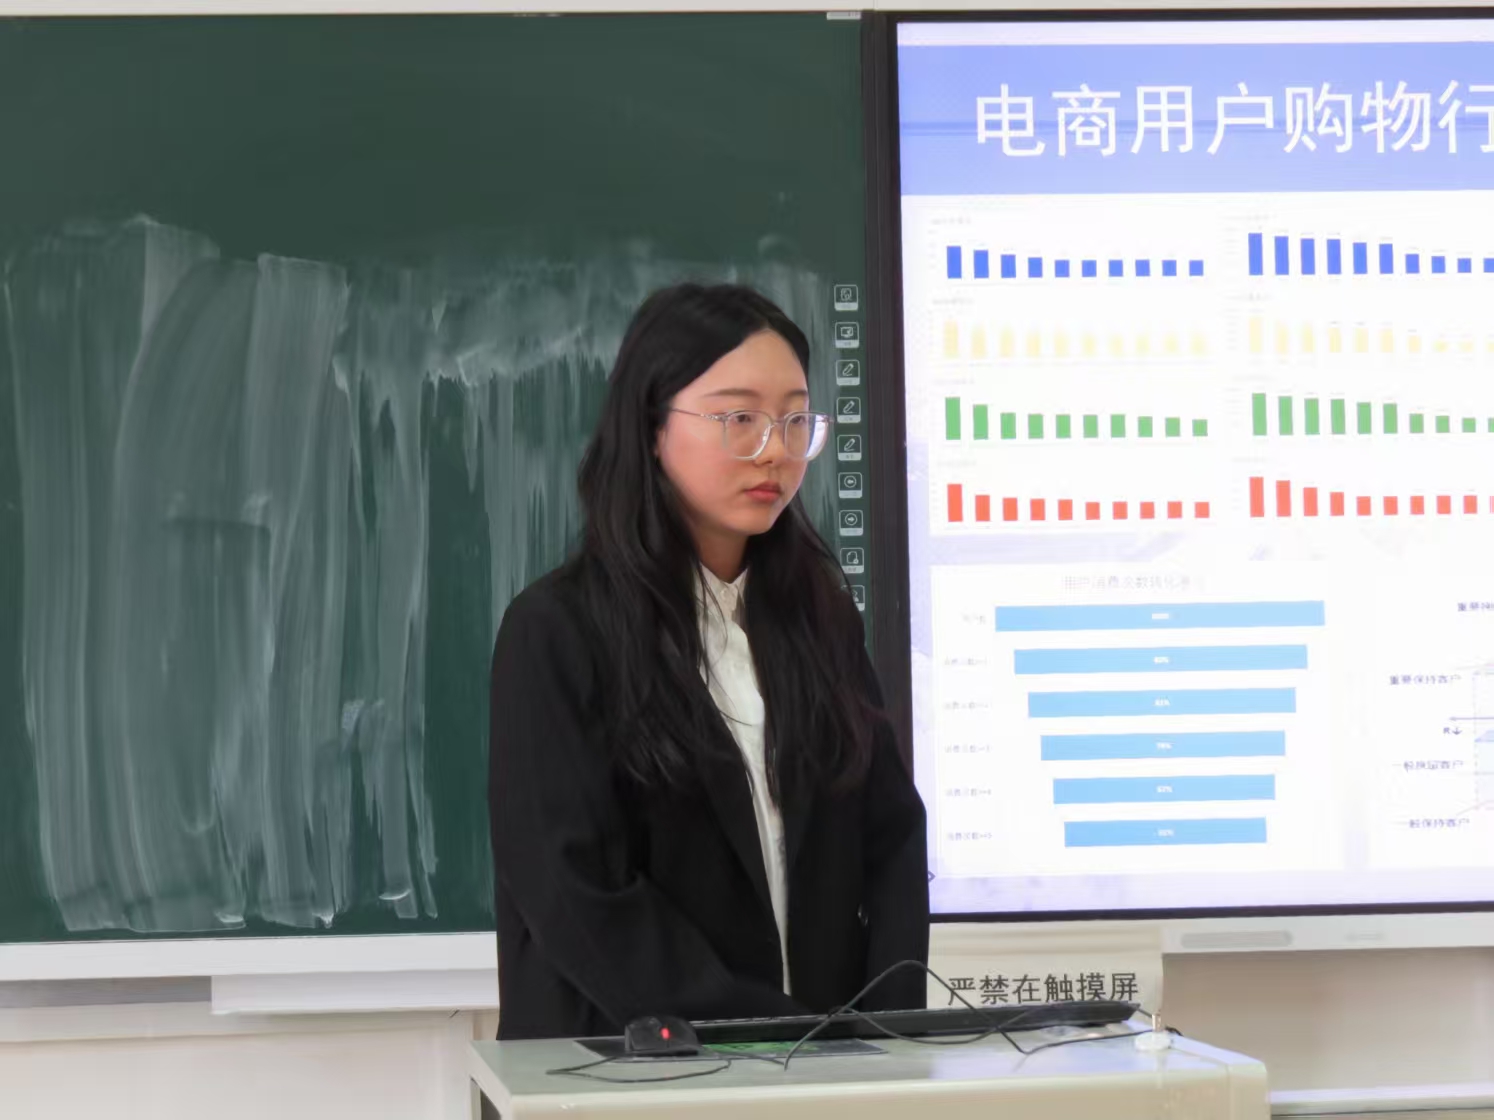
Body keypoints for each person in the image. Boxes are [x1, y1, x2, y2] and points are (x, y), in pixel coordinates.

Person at [487, 282, 928, 1041]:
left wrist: (884, 1037)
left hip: (825, 1075)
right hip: (628, 1071)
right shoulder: (557, 632)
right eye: (739, 418)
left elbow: (891, 838)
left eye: (795, 420)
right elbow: (577, 891)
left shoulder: (819, 622)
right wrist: (774, 1034)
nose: (776, 450)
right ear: (652, 425)